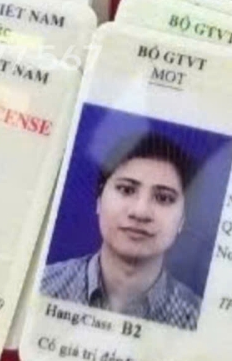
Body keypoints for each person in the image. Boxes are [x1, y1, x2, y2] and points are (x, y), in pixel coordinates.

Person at [41, 130, 203, 329]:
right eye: (126, 190)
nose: (140, 212)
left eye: (163, 198)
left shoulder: (197, 320)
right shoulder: (44, 286)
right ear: (99, 201)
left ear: (182, 219)